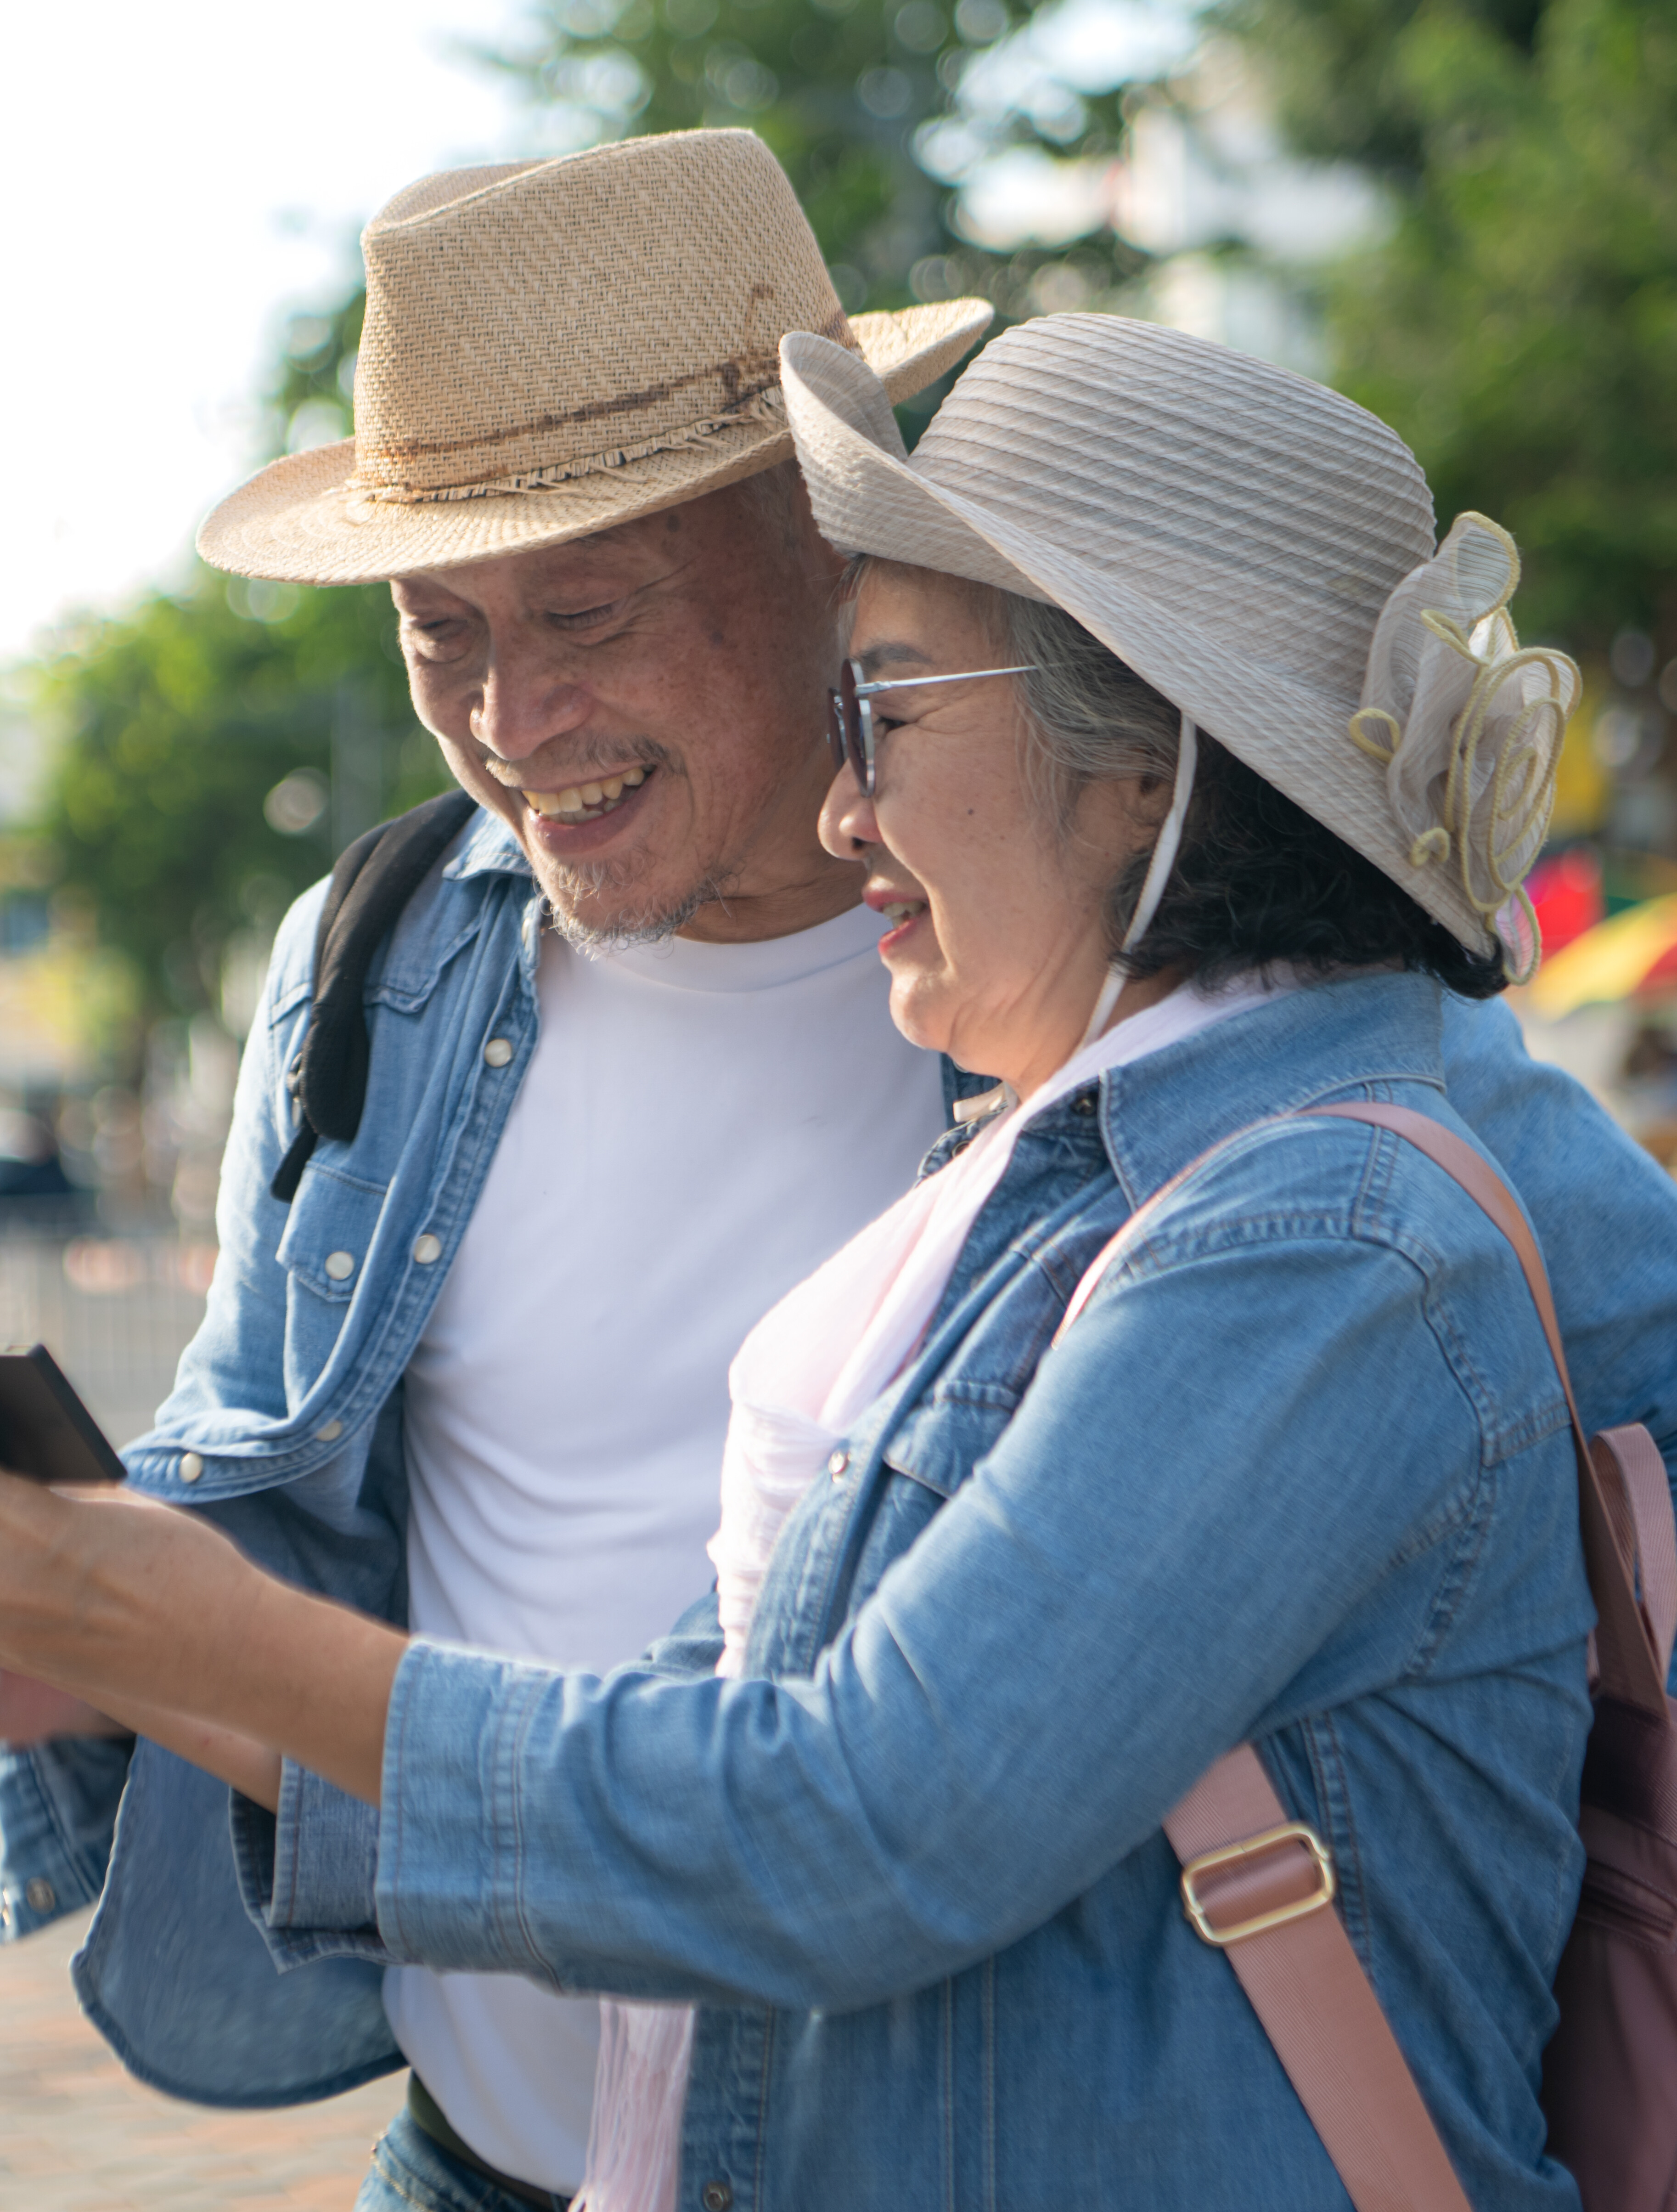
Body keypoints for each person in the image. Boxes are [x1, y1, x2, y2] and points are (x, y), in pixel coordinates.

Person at [0, 310, 1660, 2208]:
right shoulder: (1057, 1173)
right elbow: (700, 1763)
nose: (838, 802)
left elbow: (853, 1823)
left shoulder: (1327, 1238)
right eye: (441, 626)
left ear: (1142, 764)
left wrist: (159, 1624)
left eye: (882, 708)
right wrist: (99, 1616)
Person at [0, 129, 992, 2212]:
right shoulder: (378, 951)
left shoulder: (1054, 971)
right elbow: (265, 1491)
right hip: (472, 2161)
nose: (514, 720)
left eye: (588, 611)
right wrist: (86, 1635)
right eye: (438, 630)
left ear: (826, 535)